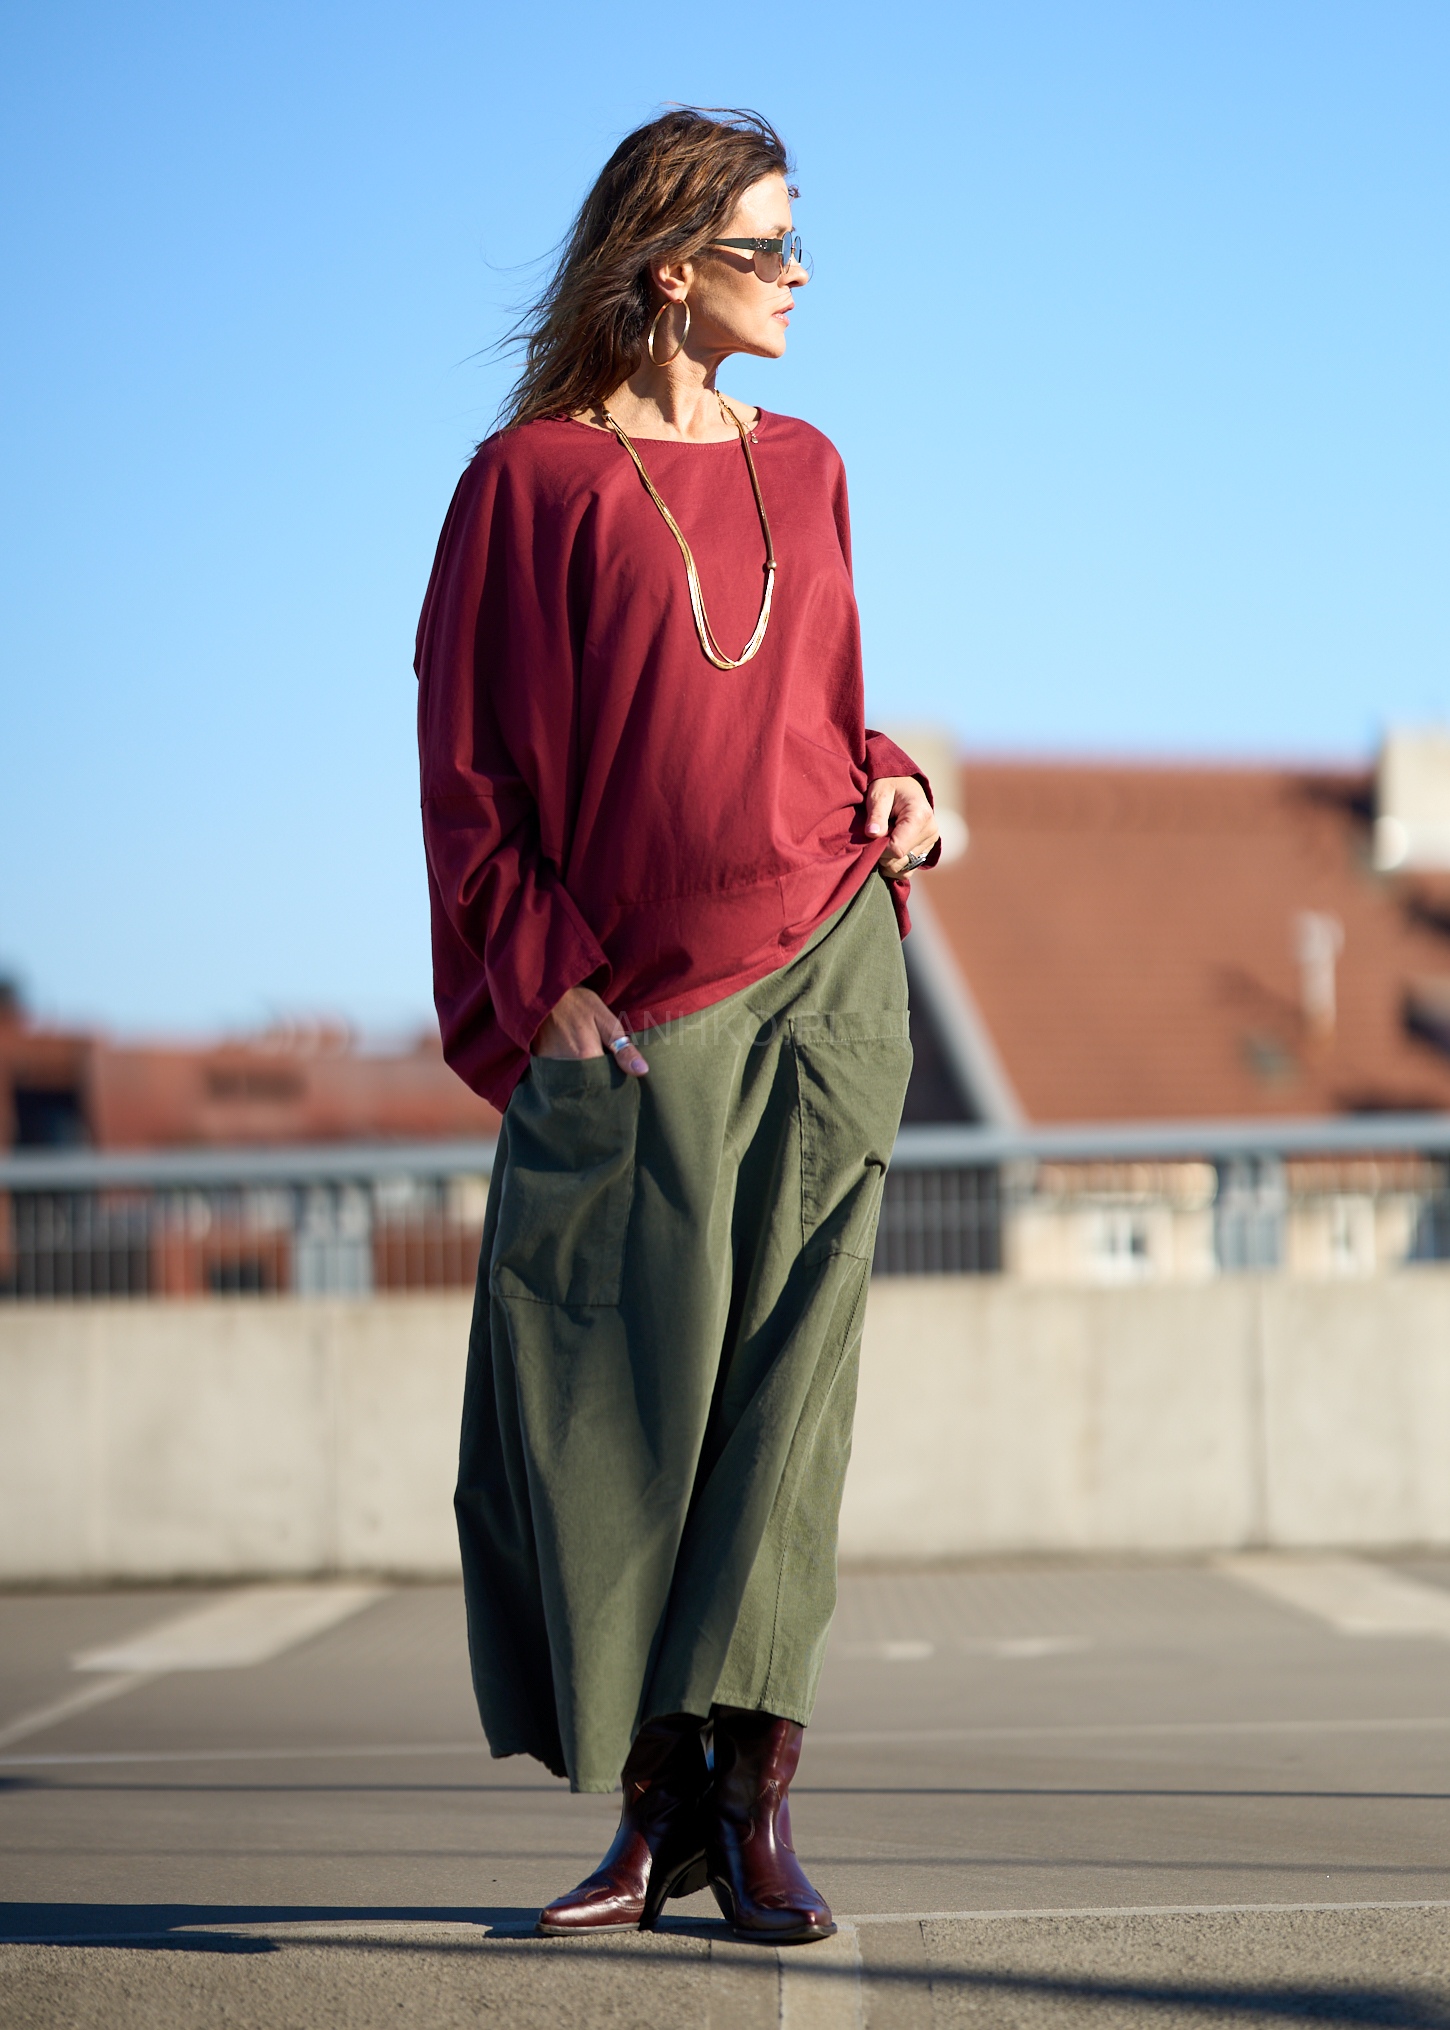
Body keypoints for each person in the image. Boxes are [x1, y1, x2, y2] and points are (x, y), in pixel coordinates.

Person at [415, 106, 939, 1945]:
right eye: (765, 244)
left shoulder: (809, 463)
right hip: (636, 1011)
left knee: (792, 1403)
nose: (797, 274)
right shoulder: (531, 483)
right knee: (611, 1405)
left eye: (795, 240)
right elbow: (468, 767)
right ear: (667, 268)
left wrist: (895, 778)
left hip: (830, 966)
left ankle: (754, 1799)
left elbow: (821, 704)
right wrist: (535, 978)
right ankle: (652, 1810)